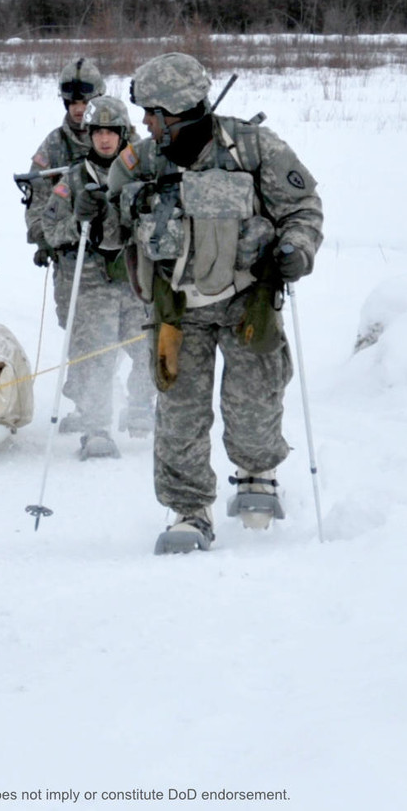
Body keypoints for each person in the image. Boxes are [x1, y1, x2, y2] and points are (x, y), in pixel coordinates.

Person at [87, 52, 323, 553]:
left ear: (176, 110)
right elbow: (112, 235)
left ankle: (257, 473)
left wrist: (296, 249)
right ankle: (190, 510)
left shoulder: (252, 147)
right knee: (178, 412)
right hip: (176, 307)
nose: (145, 123)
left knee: (255, 405)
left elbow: (302, 207)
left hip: (247, 301)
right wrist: (96, 211)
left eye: (151, 113)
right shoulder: (141, 161)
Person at [40, 96, 155, 459]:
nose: (105, 139)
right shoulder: (74, 178)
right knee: (94, 354)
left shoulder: (142, 171)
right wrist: (78, 220)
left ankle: (140, 404)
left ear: (124, 134)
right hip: (91, 279)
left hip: (135, 276)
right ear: (89, 135)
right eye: (98, 132)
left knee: (147, 346)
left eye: (112, 132)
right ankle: (96, 426)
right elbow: (49, 227)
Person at [23, 58, 106, 432]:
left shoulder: (117, 133)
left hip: (114, 253)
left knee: (119, 329)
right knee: (76, 328)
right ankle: (88, 404)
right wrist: (43, 238)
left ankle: (112, 404)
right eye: (72, 101)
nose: (79, 108)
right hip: (70, 252)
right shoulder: (53, 146)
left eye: (84, 100)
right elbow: (37, 197)